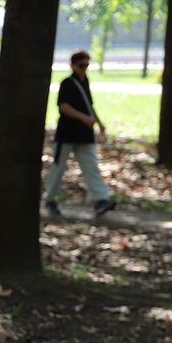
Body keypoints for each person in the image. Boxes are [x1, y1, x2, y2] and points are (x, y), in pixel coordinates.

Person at [44, 50, 116, 219]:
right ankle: (49, 199)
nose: (84, 69)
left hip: (84, 134)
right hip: (67, 133)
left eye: (87, 65)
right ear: (73, 65)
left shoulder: (85, 82)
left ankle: (101, 199)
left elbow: (89, 104)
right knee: (58, 167)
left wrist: (99, 122)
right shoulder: (67, 83)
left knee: (91, 166)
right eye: (81, 65)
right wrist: (84, 118)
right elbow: (63, 106)